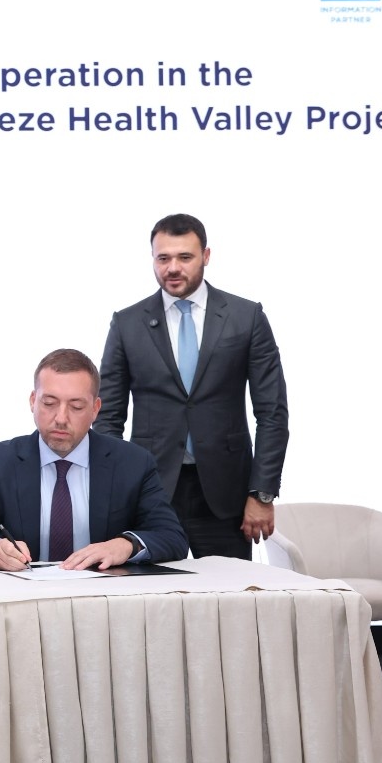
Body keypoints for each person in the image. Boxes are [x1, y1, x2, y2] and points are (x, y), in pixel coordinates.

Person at [95, 213, 289, 560]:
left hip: (226, 495)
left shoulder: (246, 317)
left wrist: (261, 494)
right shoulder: (127, 324)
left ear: (206, 256)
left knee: (228, 592)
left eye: (185, 257)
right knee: (150, 592)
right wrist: (116, 489)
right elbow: (107, 417)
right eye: (163, 258)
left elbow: (272, 412)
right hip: (149, 490)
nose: (173, 268)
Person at [0, 348, 186, 570]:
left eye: (76, 406)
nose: (61, 418)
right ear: (33, 401)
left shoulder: (133, 463)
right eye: (49, 403)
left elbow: (171, 536)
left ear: (95, 409)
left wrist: (125, 545)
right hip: (24, 593)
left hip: (104, 593)